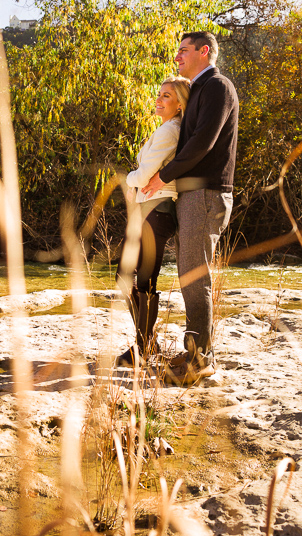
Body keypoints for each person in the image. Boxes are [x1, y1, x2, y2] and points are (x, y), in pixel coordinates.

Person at [141, 31, 238, 385]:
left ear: (204, 51)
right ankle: (194, 351)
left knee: (195, 275)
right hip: (191, 194)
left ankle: (202, 360)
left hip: (206, 193)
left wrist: (161, 176)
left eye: (183, 50)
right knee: (187, 275)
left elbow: (203, 142)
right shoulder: (197, 90)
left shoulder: (218, 87)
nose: (177, 55)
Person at [116, 75, 191, 367]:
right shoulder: (167, 129)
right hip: (150, 210)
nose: (158, 100)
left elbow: (144, 175)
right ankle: (146, 344)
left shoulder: (169, 132)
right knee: (131, 276)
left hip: (156, 212)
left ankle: (144, 347)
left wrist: (130, 180)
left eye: (166, 96)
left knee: (140, 278)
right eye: (159, 94)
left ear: (180, 104)